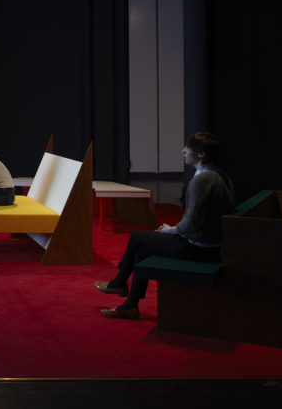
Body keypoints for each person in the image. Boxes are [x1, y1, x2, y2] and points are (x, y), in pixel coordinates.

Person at [94, 131, 235, 319]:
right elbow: (198, 221)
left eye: (188, 147)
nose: (183, 150)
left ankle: (119, 283)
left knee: (137, 237)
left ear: (201, 154)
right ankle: (130, 304)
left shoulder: (202, 180)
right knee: (142, 251)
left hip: (198, 248)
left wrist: (171, 230)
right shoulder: (220, 175)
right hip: (210, 244)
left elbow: (192, 224)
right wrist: (175, 229)